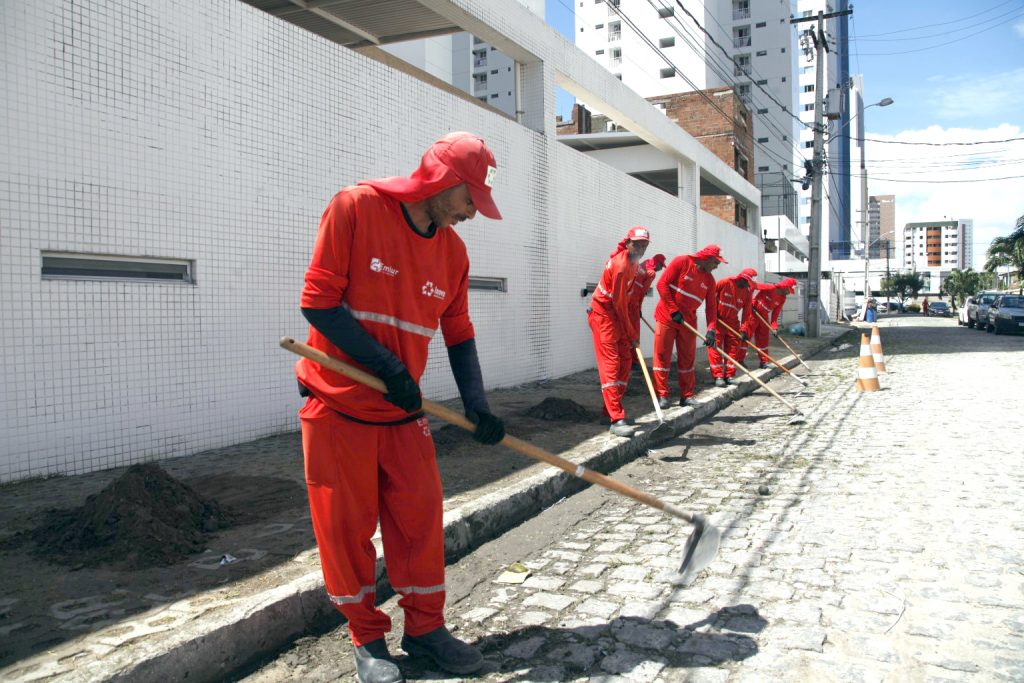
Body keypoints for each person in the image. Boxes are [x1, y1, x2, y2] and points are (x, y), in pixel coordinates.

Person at [295, 132, 507, 683]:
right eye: (469, 199)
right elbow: (318, 303)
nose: (472, 213)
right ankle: (367, 639)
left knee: (420, 521)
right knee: (346, 530)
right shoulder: (356, 208)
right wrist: (389, 368)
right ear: (443, 181)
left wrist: (477, 405)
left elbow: (459, 333)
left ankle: (425, 629)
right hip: (338, 404)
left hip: (400, 412)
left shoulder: (453, 253)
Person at [588, 226, 651, 438]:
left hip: (616, 315)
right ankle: (616, 419)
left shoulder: (634, 262)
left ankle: (609, 412)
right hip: (604, 316)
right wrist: (632, 333)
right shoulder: (622, 266)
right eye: (637, 244)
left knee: (625, 360)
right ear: (628, 243)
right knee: (611, 365)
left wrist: (630, 332)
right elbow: (620, 304)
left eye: (644, 245)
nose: (641, 248)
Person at [652, 245, 726, 408]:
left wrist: (711, 329)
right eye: (716, 262)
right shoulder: (682, 262)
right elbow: (661, 285)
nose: (716, 266)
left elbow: (711, 308)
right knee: (662, 356)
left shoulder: (709, 280)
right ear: (707, 258)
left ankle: (687, 396)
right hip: (667, 317)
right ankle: (662, 395)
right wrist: (673, 310)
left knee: (687, 359)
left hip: (688, 322)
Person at [709, 267, 757, 386]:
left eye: (749, 283)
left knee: (733, 348)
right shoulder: (724, 283)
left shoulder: (747, 292)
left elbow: (746, 313)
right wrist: (713, 317)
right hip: (718, 320)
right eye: (746, 282)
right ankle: (718, 376)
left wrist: (744, 329)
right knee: (715, 347)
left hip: (733, 322)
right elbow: (710, 299)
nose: (747, 285)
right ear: (741, 278)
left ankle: (729, 375)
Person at [750, 277, 797, 368]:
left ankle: (764, 362)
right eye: (789, 290)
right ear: (784, 286)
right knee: (746, 336)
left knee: (764, 339)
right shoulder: (770, 287)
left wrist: (774, 327)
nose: (789, 293)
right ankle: (739, 360)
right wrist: (750, 302)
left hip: (764, 316)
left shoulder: (782, 298)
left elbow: (775, 314)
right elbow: (754, 286)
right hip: (753, 313)